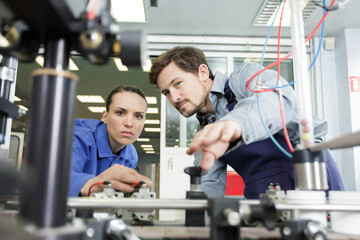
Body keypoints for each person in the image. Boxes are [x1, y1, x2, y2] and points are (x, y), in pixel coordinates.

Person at [148, 46, 344, 199]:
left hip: (311, 180)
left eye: (177, 83)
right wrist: (197, 223)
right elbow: (209, 186)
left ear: (202, 72)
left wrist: (236, 124)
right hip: (261, 196)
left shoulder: (244, 79)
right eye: (166, 92)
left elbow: (276, 101)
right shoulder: (208, 131)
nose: (174, 97)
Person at [69, 85, 153, 197]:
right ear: (105, 116)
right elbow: (56, 178)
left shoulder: (131, 156)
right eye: (120, 113)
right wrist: (93, 184)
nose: (129, 123)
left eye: (138, 116)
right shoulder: (77, 139)